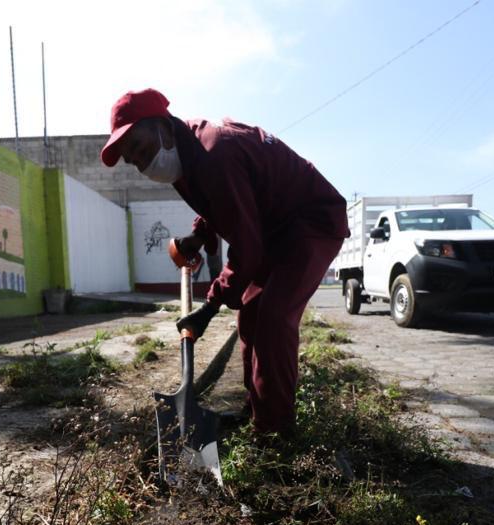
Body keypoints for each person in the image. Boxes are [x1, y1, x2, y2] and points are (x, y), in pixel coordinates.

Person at [100, 89, 348, 435]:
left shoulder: (215, 152)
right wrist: (200, 234)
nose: (142, 164)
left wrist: (210, 305)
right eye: (134, 161)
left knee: (275, 318)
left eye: (141, 149)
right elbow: (221, 202)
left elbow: (247, 248)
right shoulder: (186, 155)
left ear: (164, 128)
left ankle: (276, 433)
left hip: (310, 222)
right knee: (249, 312)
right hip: (272, 227)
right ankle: (258, 412)